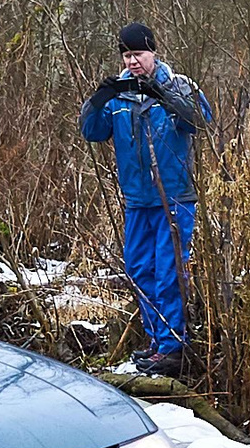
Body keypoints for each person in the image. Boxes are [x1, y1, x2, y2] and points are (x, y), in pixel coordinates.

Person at [81, 22, 212, 376]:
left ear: (153, 52)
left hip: (174, 198)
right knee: (140, 270)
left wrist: (164, 96)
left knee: (169, 272)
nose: (133, 61)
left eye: (138, 53)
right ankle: (157, 342)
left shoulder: (180, 85)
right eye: (127, 54)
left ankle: (173, 347)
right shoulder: (120, 96)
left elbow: (200, 122)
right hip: (137, 200)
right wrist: (98, 99)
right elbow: (92, 132)